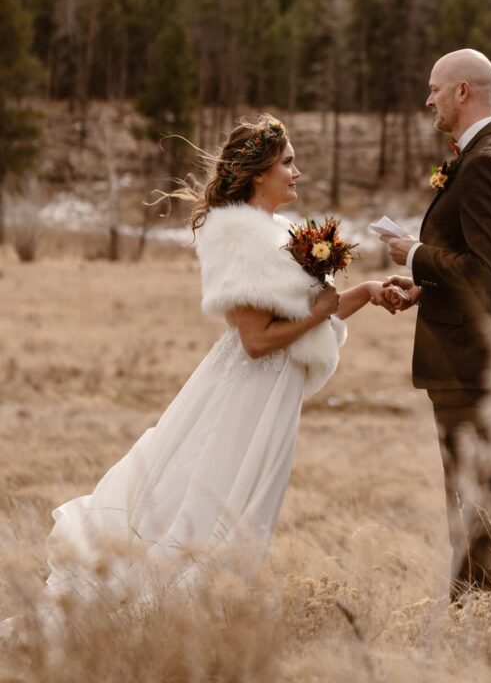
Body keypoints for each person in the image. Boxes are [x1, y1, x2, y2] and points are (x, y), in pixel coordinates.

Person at [32, 115, 393, 613]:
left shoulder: (280, 232)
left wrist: (368, 293)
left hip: (275, 398)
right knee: (212, 499)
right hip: (245, 396)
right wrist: (318, 312)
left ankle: (211, 614)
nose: (298, 171)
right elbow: (256, 341)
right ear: (260, 173)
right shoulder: (238, 236)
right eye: (288, 162)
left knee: (249, 507)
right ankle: (168, 611)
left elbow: (312, 314)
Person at [381, 49, 491, 602]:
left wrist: (414, 254)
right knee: (474, 496)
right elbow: (480, 271)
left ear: (463, 91)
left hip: (475, 364)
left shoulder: (490, 162)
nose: (428, 100)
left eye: (434, 89)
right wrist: (427, 288)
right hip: (479, 359)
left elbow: (483, 274)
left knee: (472, 502)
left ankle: (478, 619)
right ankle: (483, 617)